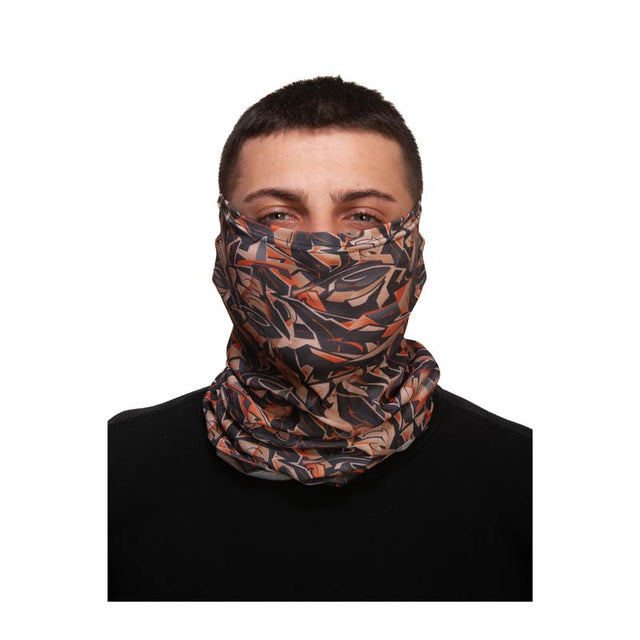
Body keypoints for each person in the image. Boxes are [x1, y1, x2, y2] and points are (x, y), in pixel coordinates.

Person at [108, 76, 532, 601]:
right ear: (225, 248)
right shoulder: (111, 472)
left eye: (362, 217)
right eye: (277, 216)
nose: (320, 251)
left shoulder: (526, 483)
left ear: (415, 250)